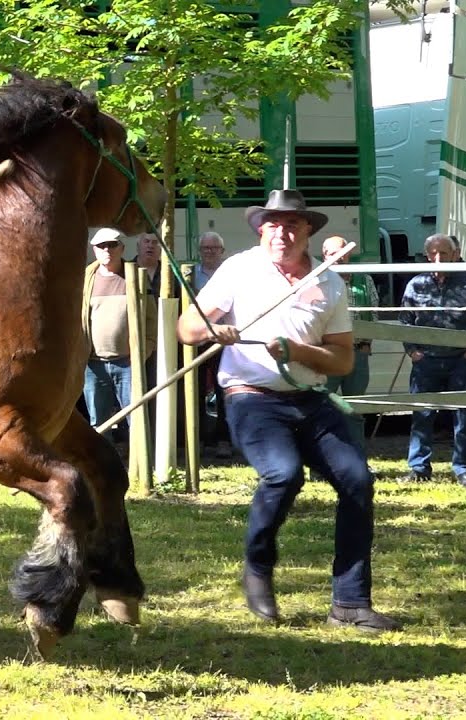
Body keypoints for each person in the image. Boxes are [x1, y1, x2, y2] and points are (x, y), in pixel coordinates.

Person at [175, 188, 400, 633]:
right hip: (250, 396)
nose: (282, 232)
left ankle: (350, 603)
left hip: (310, 400)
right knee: (283, 473)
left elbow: (342, 361)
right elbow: (186, 327)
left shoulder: (329, 282)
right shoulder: (239, 268)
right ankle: (258, 566)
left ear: (308, 231)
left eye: (292, 224)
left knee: (357, 479)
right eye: (273, 224)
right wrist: (212, 329)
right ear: (261, 231)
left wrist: (298, 350)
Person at [399, 233, 466, 488]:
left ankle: (464, 469)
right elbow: (405, 321)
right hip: (425, 360)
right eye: (434, 253)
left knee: (463, 417)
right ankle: (418, 468)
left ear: (455, 254)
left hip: (461, 360)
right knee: (422, 415)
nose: (439, 258)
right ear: (427, 255)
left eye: (445, 253)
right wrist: (412, 352)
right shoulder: (415, 284)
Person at [82, 227, 158, 444]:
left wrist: (147, 348)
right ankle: (104, 472)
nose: (107, 249)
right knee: (98, 423)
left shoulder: (135, 276)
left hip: (128, 363)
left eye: (112, 244)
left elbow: (151, 319)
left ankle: (143, 469)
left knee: (137, 419)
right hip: (93, 365)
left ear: (122, 248)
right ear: (94, 250)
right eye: (101, 246)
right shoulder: (86, 279)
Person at [320, 235, 379, 458]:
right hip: (328, 354)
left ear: (349, 253)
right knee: (323, 408)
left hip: (358, 353)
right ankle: (323, 460)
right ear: (325, 255)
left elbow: (374, 312)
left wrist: (367, 343)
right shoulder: (319, 280)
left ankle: (357, 459)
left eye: (341, 252)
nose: (338, 257)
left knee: (355, 409)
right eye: (332, 253)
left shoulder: (364, 279)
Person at [192, 231, 233, 459]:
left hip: (225, 342)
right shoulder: (191, 276)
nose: (209, 252)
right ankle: (199, 438)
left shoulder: (231, 275)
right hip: (198, 342)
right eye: (205, 248)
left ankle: (223, 440)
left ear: (222, 251)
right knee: (196, 391)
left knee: (223, 392)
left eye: (213, 248)